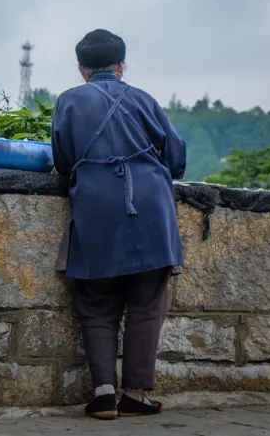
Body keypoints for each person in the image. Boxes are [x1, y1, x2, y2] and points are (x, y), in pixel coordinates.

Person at [51, 29, 186, 420]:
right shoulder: (145, 100)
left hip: (96, 208)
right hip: (151, 207)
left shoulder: (69, 101)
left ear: (81, 68)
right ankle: (138, 394)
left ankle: (104, 394)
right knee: (146, 304)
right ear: (121, 65)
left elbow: (62, 161)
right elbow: (176, 160)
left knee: (96, 303)